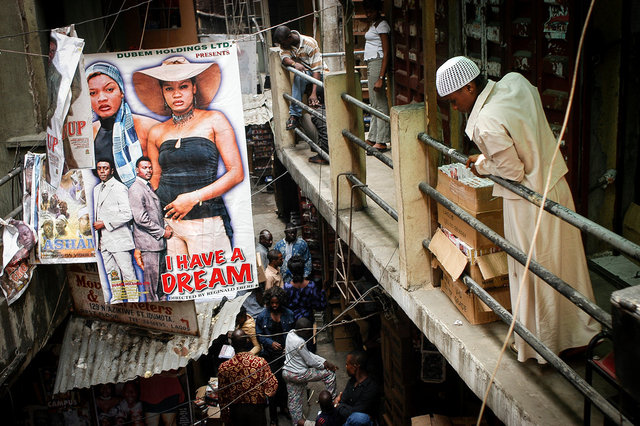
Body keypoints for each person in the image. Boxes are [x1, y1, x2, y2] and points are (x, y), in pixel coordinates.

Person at [435, 56, 600, 363]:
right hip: (554, 187)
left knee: (533, 271)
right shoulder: (515, 82)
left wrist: (482, 163)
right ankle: (579, 334)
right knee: (564, 265)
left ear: (469, 88)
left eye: (453, 100)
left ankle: (545, 343)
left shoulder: (485, 122)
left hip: (527, 204)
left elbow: (512, 172)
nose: (453, 107)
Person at [133, 56, 244, 257]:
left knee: (210, 284)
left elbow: (236, 173)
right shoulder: (156, 132)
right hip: (169, 225)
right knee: (177, 287)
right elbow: (154, 181)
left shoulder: (214, 120)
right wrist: (146, 234)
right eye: (169, 88)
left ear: (194, 88)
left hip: (206, 220)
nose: (176, 94)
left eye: (183, 86)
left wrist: (194, 197)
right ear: (162, 92)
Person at [86, 62, 158, 187]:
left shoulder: (149, 127)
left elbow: (160, 176)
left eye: (109, 89)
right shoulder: (89, 132)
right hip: (107, 201)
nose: (101, 98)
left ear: (121, 91)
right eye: (93, 93)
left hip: (143, 200)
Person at [273, 25, 330, 164]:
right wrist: (294, 64)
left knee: (317, 117)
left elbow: (317, 70)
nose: (281, 46)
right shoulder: (287, 45)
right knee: (300, 75)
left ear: (289, 38)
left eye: (282, 43)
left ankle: (295, 114)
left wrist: (314, 94)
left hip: (320, 76)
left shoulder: (309, 43)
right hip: (307, 75)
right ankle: (295, 114)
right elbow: (284, 58)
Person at [93, 159, 138, 303]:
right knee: (111, 271)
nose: (102, 171)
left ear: (112, 170)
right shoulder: (96, 189)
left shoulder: (119, 187)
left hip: (119, 238)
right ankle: (117, 298)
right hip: (104, 240)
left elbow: (127, 213)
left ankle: (133, 300)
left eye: (105, 168)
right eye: (99, 168)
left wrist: (105, 223)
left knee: (127, 271)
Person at [128, 156, 173, 302]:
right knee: (152, 288)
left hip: (156, 244)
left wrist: (165, 225)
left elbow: (154, 214)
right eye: (144, 168)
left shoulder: (147, 186)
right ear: (137, 170)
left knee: (160, 285)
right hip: (149, 245)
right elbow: (140, 219)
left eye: (149, 167)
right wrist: (162, 232)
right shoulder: (136, 188)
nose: (148, 170)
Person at [283, 318, 338, 425]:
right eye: (307, 331)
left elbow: (307, 353)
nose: (309, 333)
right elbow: (310, 361)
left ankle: (297, 423)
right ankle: (330, 406)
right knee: (329, 374)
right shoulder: (300, 341)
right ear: (301, 331)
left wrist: (324, 360)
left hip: (287, 373)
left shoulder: (290, 333)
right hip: (299, 374)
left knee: (294, 401)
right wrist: (325, 366)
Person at [218, 329, 278, 426]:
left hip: (236, 412)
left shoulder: (224, 367)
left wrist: (224, 415)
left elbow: (222, 395)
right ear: (247, 341)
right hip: (257, 411)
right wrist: (264, 395)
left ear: (232, 344)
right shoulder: (260, 362)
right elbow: (272, 385)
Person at [255, 286, 295, 425]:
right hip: (270, 357)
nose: (274, 305)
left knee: (285, 384)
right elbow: (259, 335)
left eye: (277, 303)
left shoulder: (289, 314)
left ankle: (284, 408)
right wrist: (270, 343)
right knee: (272, 387)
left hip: (285, 356)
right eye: (272, 303)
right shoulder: (262, 316)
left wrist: (289, 347)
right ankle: (273, 417)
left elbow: (293, 334)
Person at [362, 0, 391, 153]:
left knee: (379, 101)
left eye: (371, 10)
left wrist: (381, 77)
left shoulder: (382, 25)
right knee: (374, 101)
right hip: (371, 62)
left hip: (377, 62)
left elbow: (386, 52)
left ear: (378, 10)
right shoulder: (373, 24)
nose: (368, 13)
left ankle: (382, 140)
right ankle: (373, 136)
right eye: (366, 11)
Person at [334, 351, 380, 423]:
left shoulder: (370, 387)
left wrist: (337, 405)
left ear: (355, 366)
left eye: (347, 364)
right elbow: (343, 400)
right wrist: (343, 407)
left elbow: (355, 414)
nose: (346, 367)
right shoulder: (352, 381)